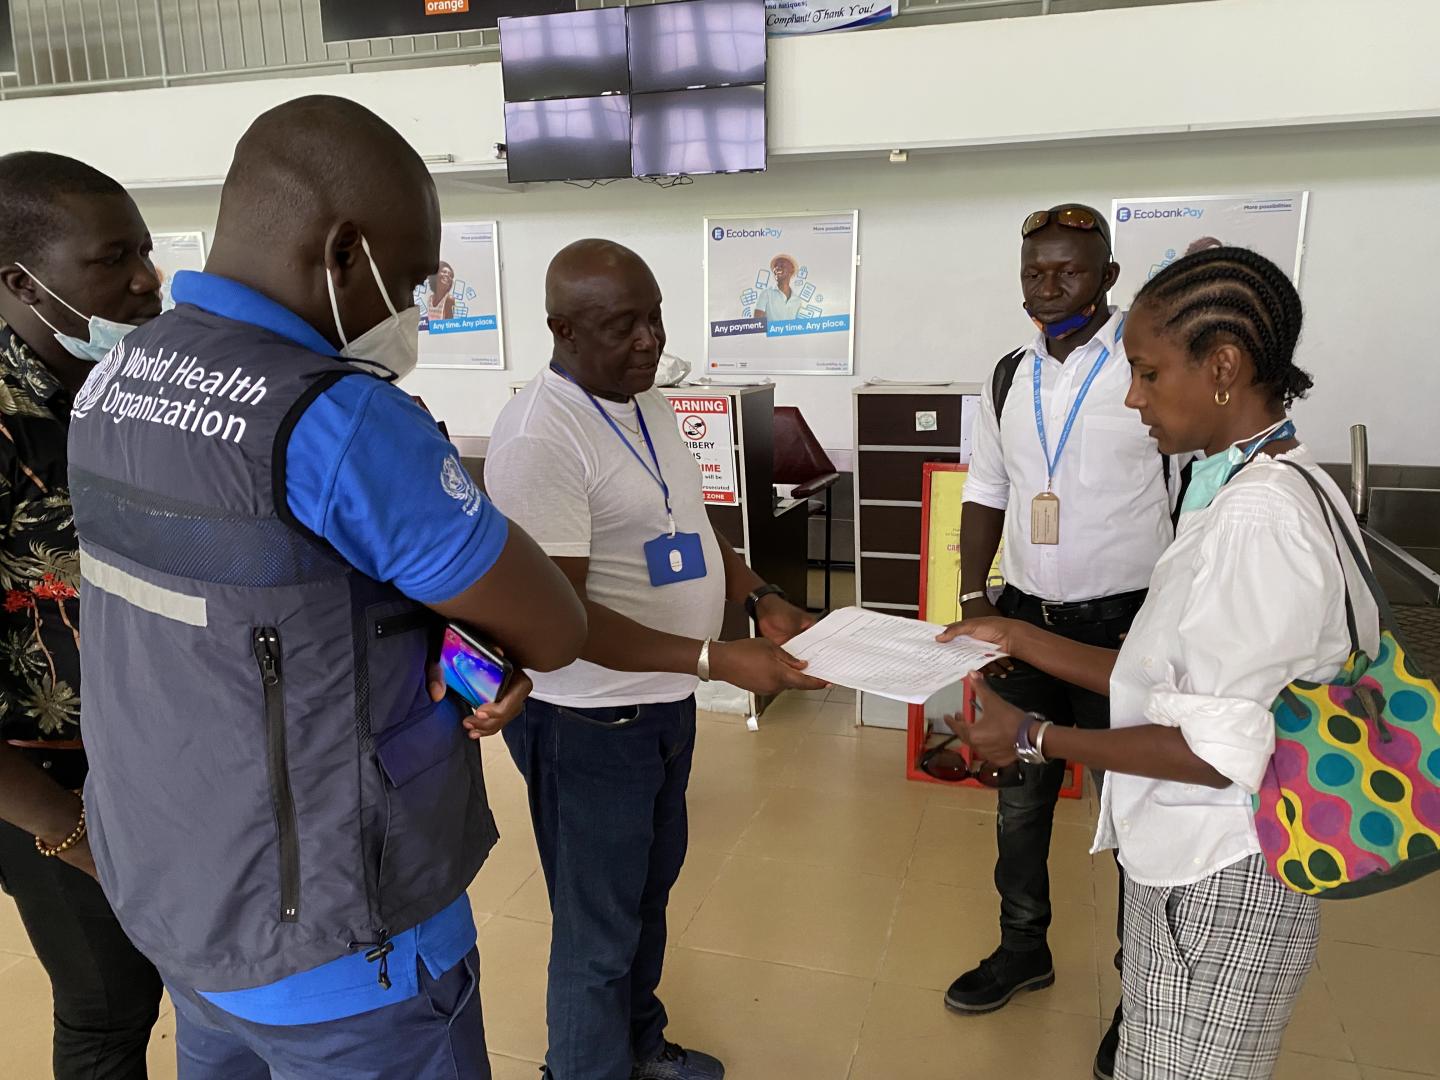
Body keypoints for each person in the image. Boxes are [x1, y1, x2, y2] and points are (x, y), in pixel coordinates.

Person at [66, 95, 587, 1079]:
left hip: (190, 908)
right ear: (345, 251)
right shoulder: (338, 418)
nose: (410, 314)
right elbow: (553, 626)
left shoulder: (115, 377)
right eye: (410, 281)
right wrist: (480, 639)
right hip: (350, 950)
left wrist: (447, 643)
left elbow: (270, 606)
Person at [943, 245, 1375, 1080]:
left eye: (1145, 372)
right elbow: (1167, 682)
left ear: (1222, 366)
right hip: (1190, 862)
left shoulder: (1258, 523)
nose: (1134, 395)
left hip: (1225, 874)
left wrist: (1035, 739)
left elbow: (1214, 751)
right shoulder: (1266, 484)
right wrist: (1019, 635)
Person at [484, 239, 827, 1080]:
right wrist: (713, 657)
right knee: (597, 933)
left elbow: (691, 522)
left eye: (654, 317)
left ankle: (637, 1049)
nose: (647, 340)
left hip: (658, 704)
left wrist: (755, 592)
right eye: (620, 325)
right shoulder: (540, 436)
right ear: (561, 329)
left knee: (645, 900)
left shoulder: (648, 403)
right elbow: (552, 618)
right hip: (588, 722)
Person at [952, 204, 1178, 1080]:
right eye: (1034, 273)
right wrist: (975, 596)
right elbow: (988, 484)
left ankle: (1142, 987)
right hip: (1027, 615)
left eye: (1069, 272)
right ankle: (1023, 948)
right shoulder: (1009, 375)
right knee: (1018, 793)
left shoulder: (1146, 366)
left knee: (1134, 815)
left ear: (1108, 276)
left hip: (1128, 624)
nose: (1049, 288)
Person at [0, 151, 165, 1080]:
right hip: (50, 792)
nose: (147, 280)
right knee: (108, 1012)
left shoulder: (116, 396)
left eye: (144, 251)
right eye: (113, 260)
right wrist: (69, 833)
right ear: (21, 281)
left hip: (160, 771)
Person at [752, 253, 803, 323]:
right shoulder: (766, 294)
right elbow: (756, 323)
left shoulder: (797, 301)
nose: (777, 268)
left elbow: (799, 327)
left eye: (782, 265)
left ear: (791, 270)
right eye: (775, 266)